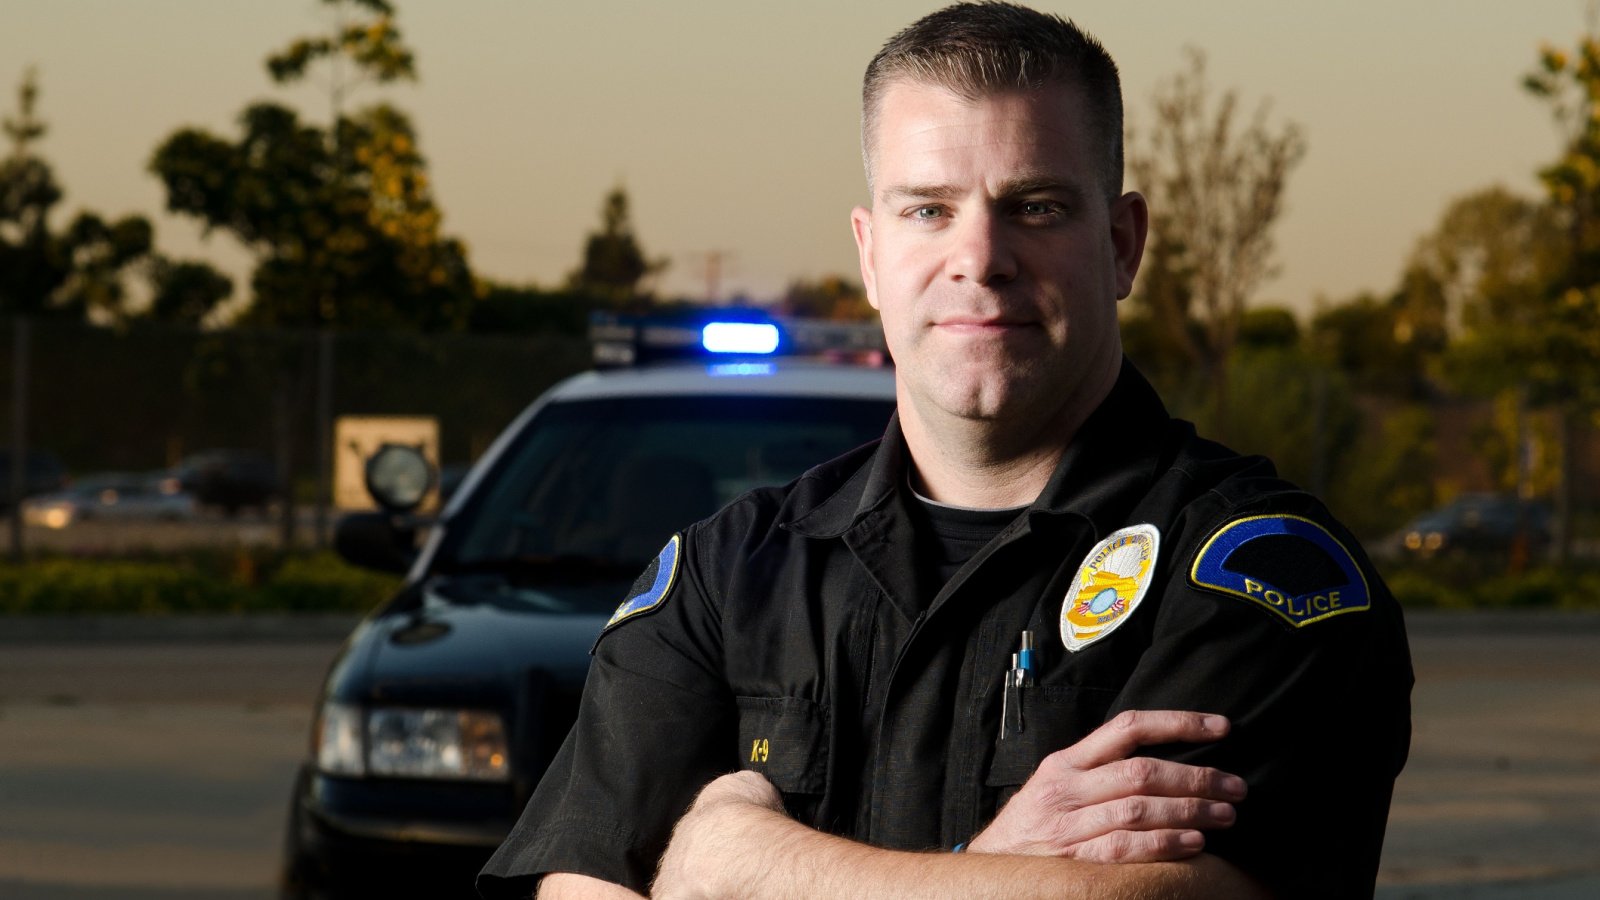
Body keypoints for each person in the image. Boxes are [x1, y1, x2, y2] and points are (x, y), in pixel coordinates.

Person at [479, 4, 1412, 898]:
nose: (981, 256)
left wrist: (741, 862)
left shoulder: (1256, 576)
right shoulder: (729, 580)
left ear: (1122, 245)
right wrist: (993, 864)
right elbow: (581, 887)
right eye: (927, 210)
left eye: (1036, 207)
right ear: (870, 253)